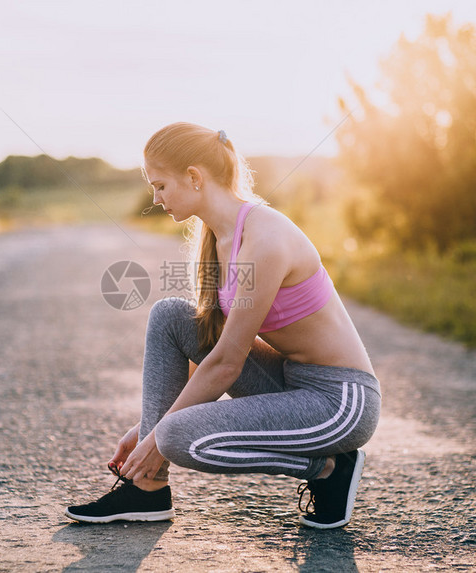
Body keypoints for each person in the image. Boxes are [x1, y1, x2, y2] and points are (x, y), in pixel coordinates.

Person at [65, 122, 381, 529]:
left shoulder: (265, 239)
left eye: (160, 186)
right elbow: (211, 347)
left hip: (340, 402)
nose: (156, 199)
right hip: (289, 382)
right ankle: (148, 489)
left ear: (194, 177)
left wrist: (156, 438)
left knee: (177, 437)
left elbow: (227, 364)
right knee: (170, 316)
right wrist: (146, 429)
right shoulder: (217, 238)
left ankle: (328, 468)